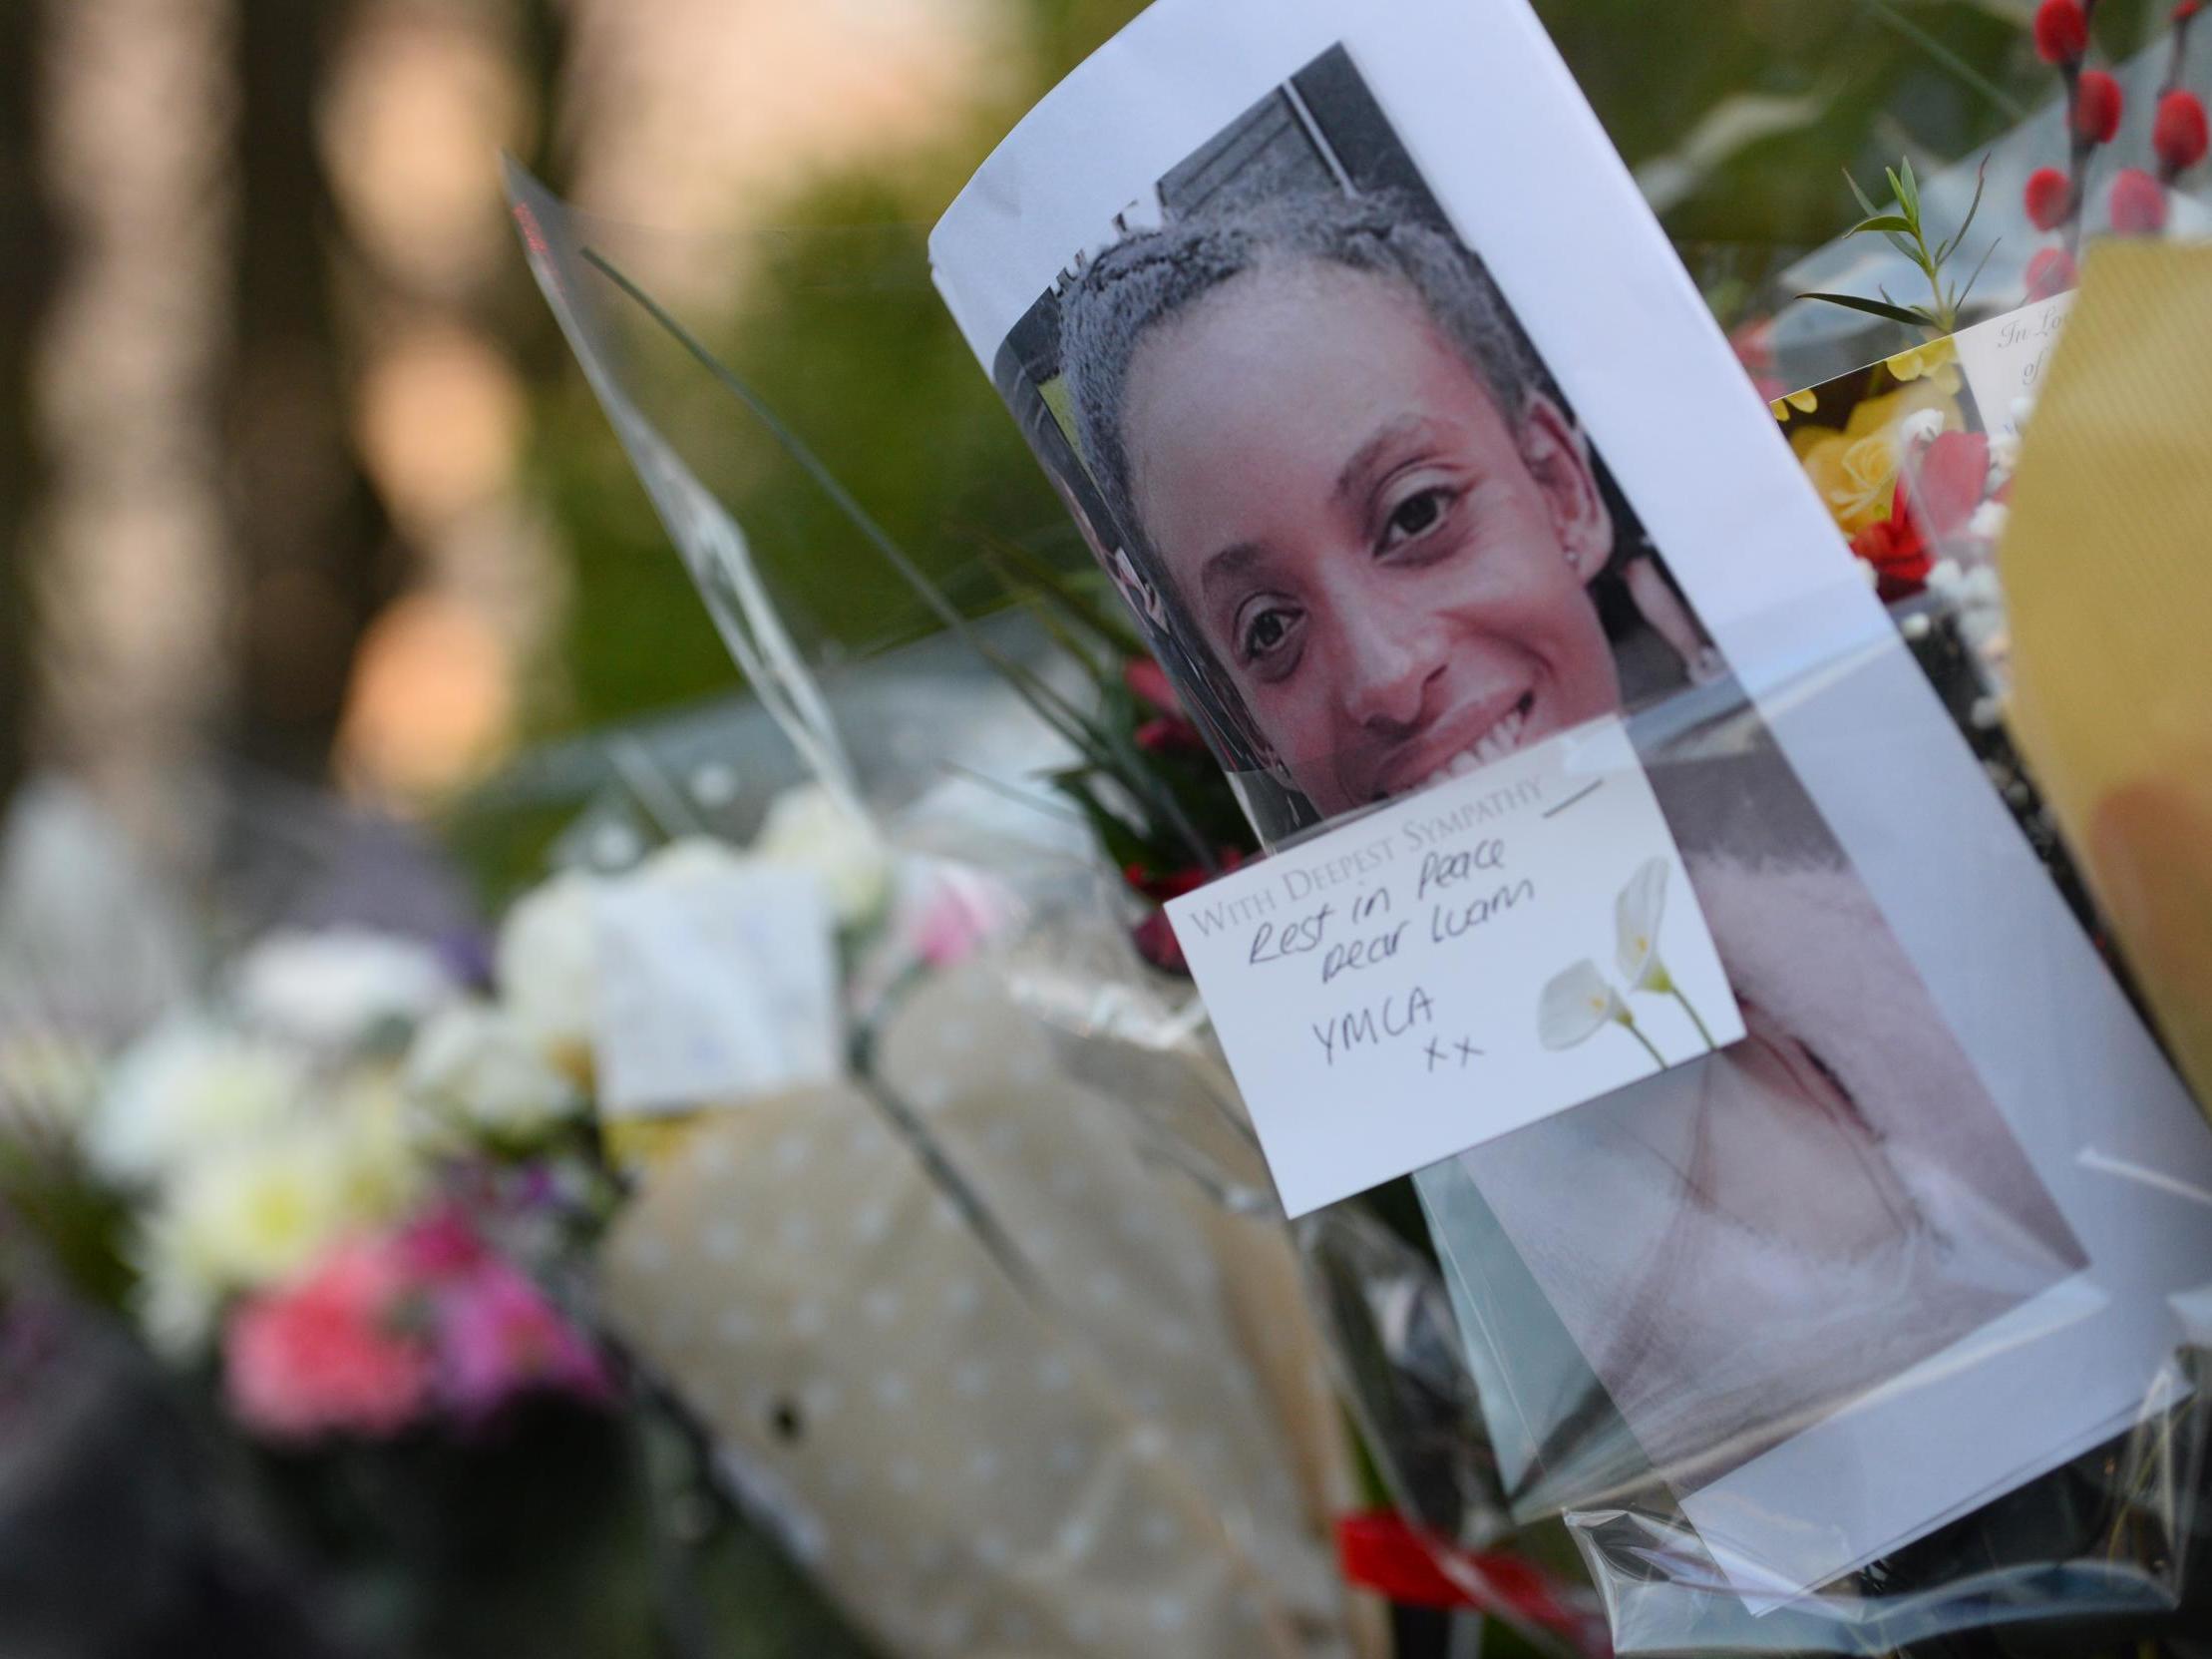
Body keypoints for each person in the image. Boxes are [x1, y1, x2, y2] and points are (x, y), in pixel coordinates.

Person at [1058, 190, 2084, 1482]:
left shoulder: (1922, 849)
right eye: (1266, 629)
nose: (1380, 675)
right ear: (1242, 723)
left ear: (1558, 486)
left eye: (1416, 513)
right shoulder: (1459, 1210)